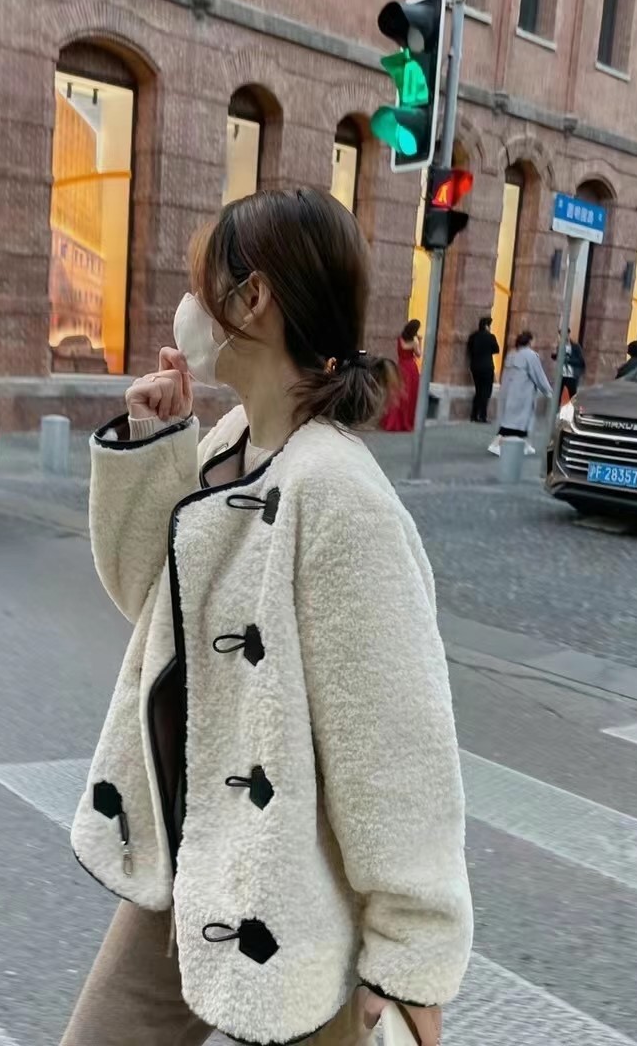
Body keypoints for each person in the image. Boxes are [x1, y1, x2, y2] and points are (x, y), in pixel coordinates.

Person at [62, 188, 472, 1046]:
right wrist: (157, 446)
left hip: (298, 901)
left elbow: (397, 746)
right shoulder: (229, 445)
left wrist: (410, 959)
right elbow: (152, 606)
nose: (189, 306)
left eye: (203, 284)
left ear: (252, 299)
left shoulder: (340, 495)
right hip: (196, 852)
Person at [488, 331, 553, 457]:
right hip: (523, 395)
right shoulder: (531, 356)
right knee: (514, 425)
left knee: (514, 422)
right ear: (529, 342)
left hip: (509, 394)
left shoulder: (512, 355)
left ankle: (525, 445)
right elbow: (539, 375)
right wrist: (549, 392)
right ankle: (496, 444)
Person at [379, 318, 422, 431]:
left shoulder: (400, 339)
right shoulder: (414, 342)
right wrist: (420, 341)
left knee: (398, 394)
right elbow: (418, 354)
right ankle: (406, 421)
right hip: (411, 369)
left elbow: (402, 349)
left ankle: (393, 421)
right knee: (410, 395)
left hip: (401, 367)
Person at [466, 315, 500, 423]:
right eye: (489, 326)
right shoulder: (490, 337)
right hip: (487, 367)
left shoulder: (473, 336)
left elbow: (470, 350)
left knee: (478, 391)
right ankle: (482, 416)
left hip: (475, 367)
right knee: (486, 392)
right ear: (486, 326)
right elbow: (496, 349)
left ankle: (474, 415)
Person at [554, 333, 586, 399]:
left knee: (570, 396)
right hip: (562, 375)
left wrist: (568, 360)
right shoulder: (559, 347)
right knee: (560, 395)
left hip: (573, 375)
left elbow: (580, 361)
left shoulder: (575, 347)